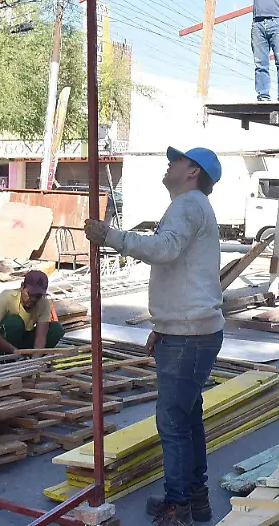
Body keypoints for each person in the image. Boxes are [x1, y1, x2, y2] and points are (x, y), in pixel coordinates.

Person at [84, 146, 224, 526]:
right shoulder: (193, 205)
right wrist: (163, 327)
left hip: (189, 335)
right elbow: (180, 268)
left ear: (193, 171)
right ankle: (194, 497)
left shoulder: (188, 204)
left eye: (177, 160)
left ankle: (179, 506)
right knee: (187, 417)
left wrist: (111, 236)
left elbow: (165, 249)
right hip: (188, 331)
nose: (170, 163)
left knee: (173, 422)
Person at [0, 271, 64, 357]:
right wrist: (14, 351)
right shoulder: (7, 297)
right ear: (22, 286)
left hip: (18, 342)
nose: (33, 299)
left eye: (38, 296)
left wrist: (35, 358)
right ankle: (6, 359)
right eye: (30, 294)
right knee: (16, 321)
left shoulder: (43, 303)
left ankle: (24, 358)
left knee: (56, 329)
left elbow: (41, 337)